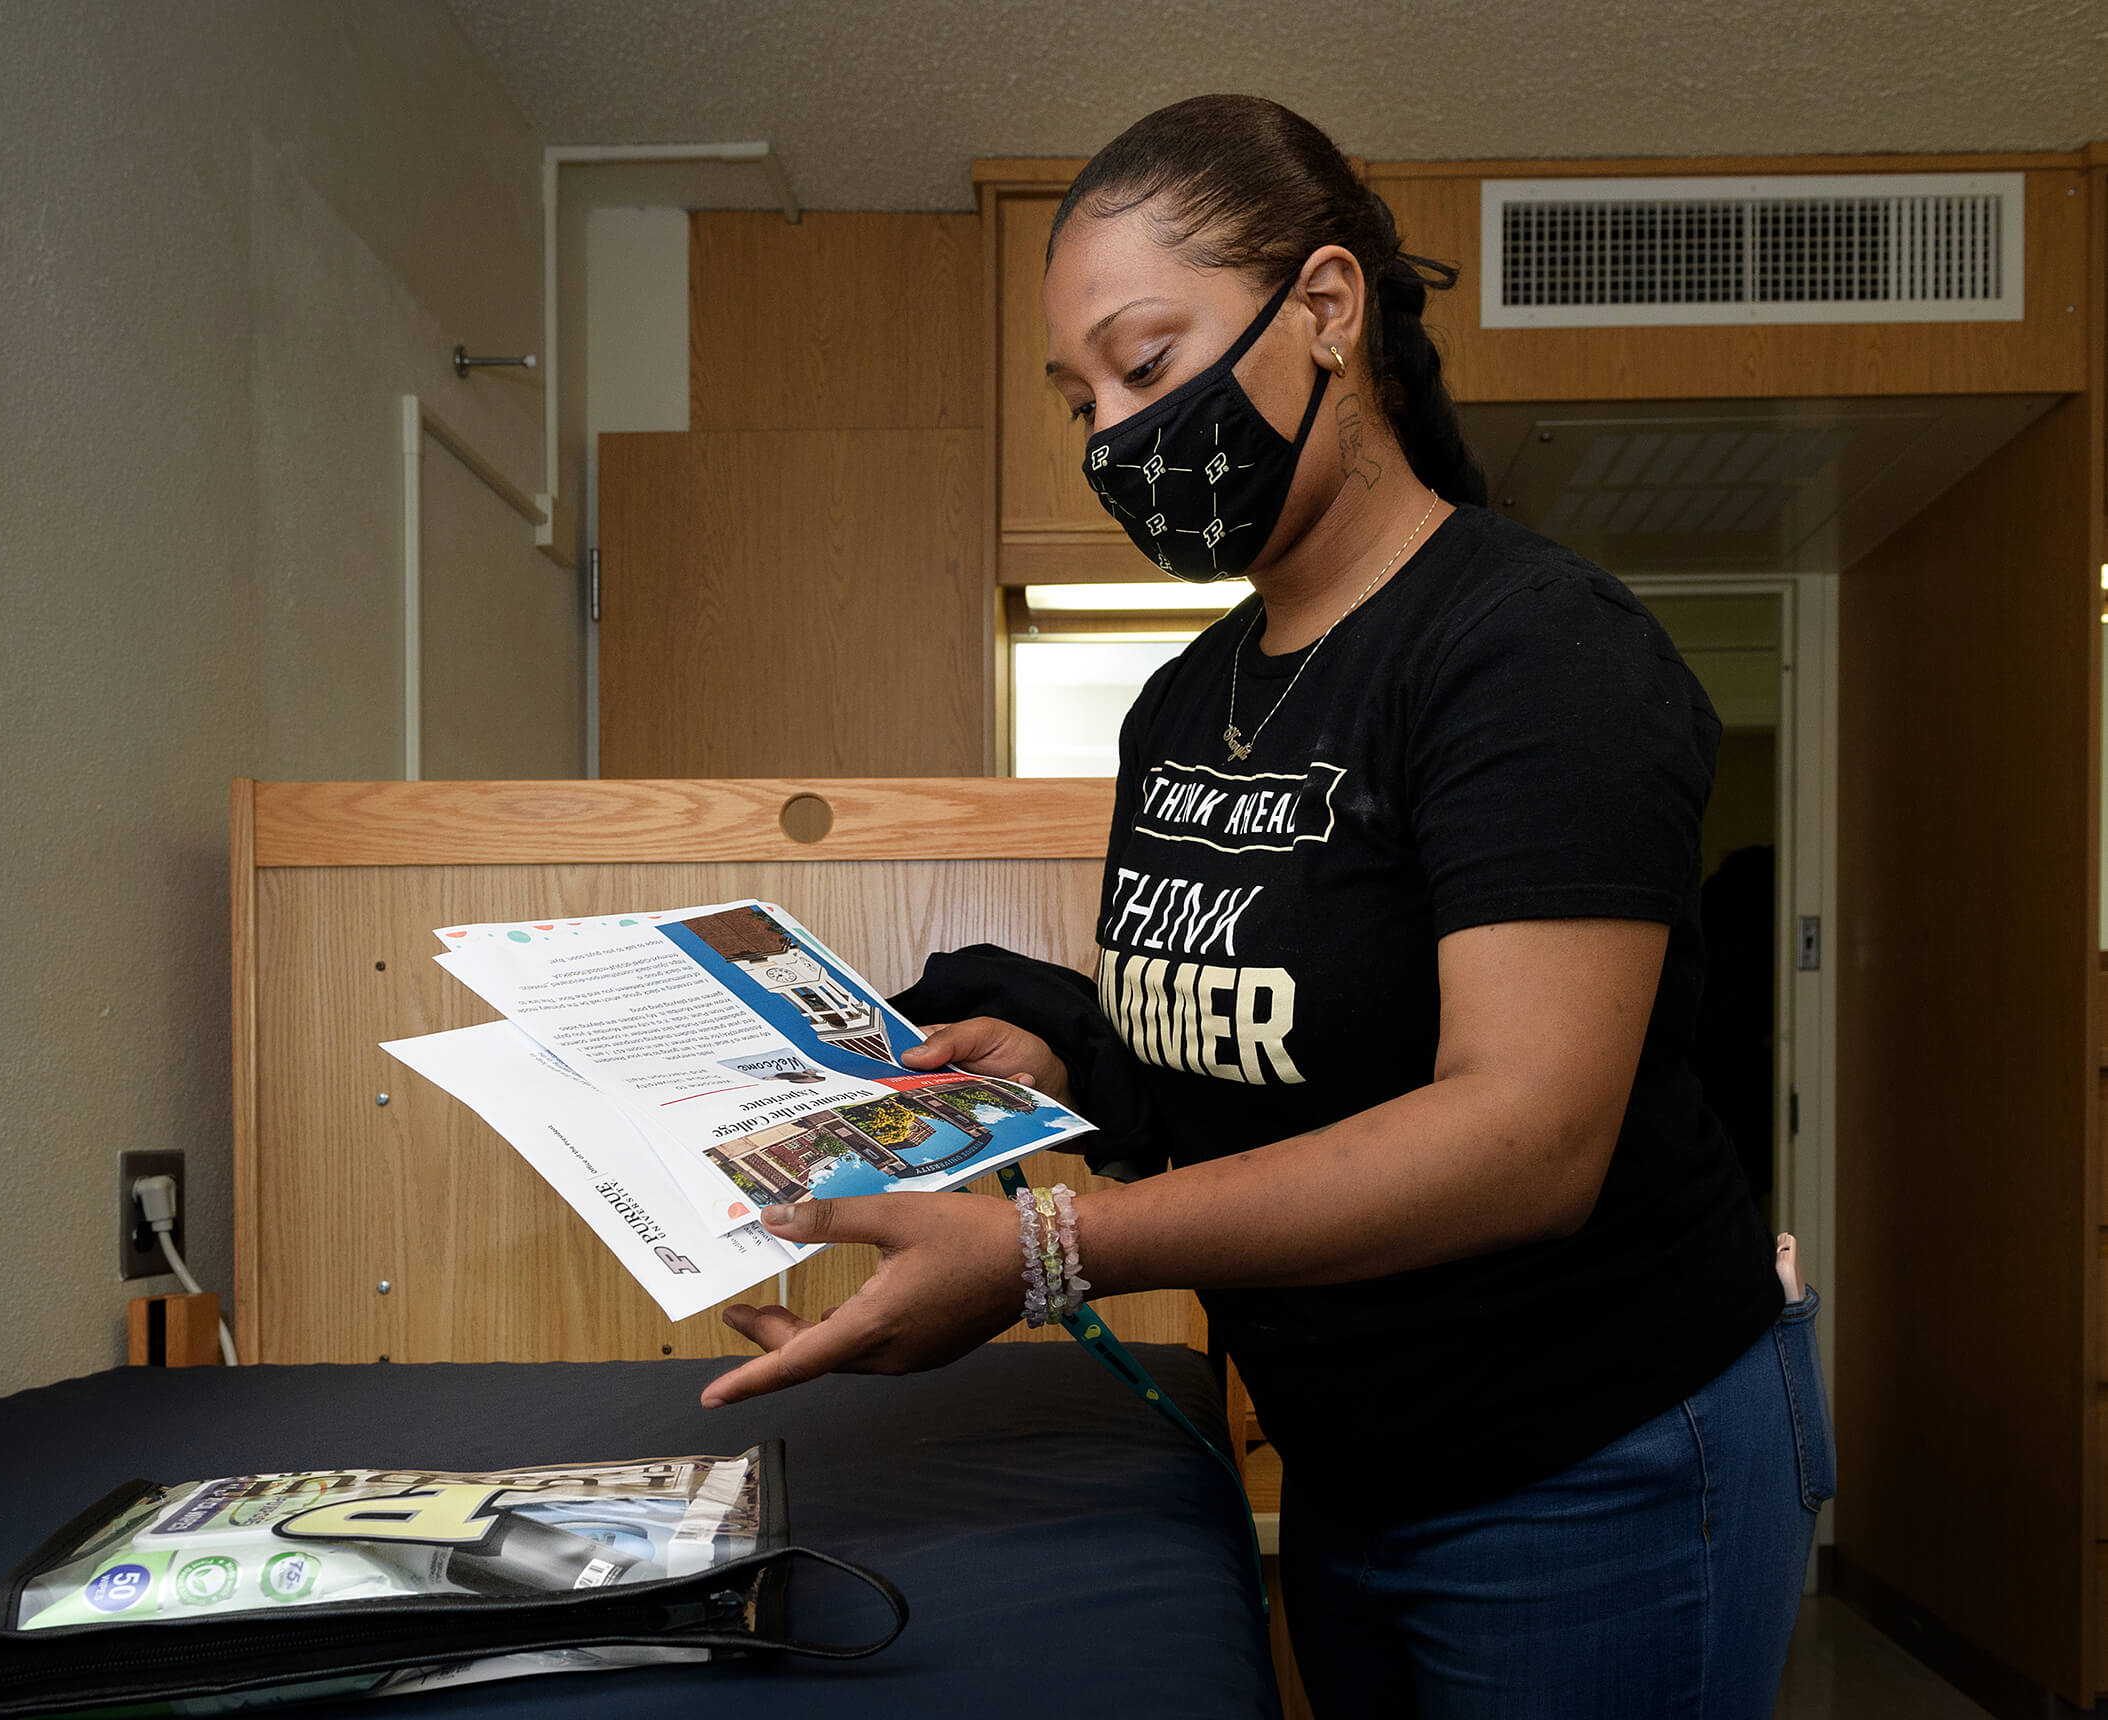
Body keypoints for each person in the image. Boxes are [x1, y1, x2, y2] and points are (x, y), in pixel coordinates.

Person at [698, 94, 1833, 1720]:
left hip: (1598, 1467)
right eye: (1080, 399)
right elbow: (1251, 1070)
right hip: (1349, 1467)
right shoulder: (1182, 703)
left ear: (1326, 309)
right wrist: (1062, 1060)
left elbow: (1524, 1136)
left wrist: (1044, 1253)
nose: (1112, 434)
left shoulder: (1535, 651)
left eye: (1146, 364)